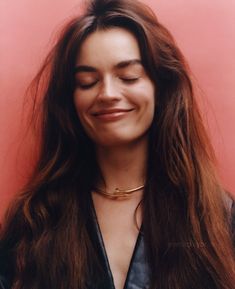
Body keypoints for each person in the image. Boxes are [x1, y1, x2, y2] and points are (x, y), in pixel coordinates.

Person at [0, 0, 234, 288]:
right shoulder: (34, 219)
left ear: (160, 87)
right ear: (70, 100)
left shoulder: (215, 217)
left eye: (128, 77)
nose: (107, 93)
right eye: (87, 82)